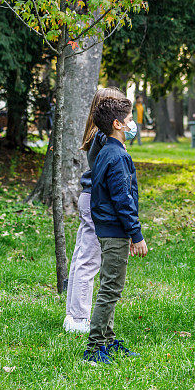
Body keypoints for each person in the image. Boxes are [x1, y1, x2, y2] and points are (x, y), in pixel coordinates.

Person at [83, 96, 147, 364]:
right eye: (130, 120)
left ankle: (108, 339)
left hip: (108, 228)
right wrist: (136, 235)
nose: (133, 124)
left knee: (110, 285)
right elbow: (123, 199)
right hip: (114, 230)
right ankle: (95, 347)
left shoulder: (106, 151)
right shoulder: (117, 156)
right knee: (110, 288)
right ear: (118, 123)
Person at [63, 87, 126, 334]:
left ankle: (74, 315)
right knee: (89, 259)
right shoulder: (104, 137)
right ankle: (78, 318)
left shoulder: (96, 134)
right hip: (96, 201)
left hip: (89, 199)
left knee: (82, 257)